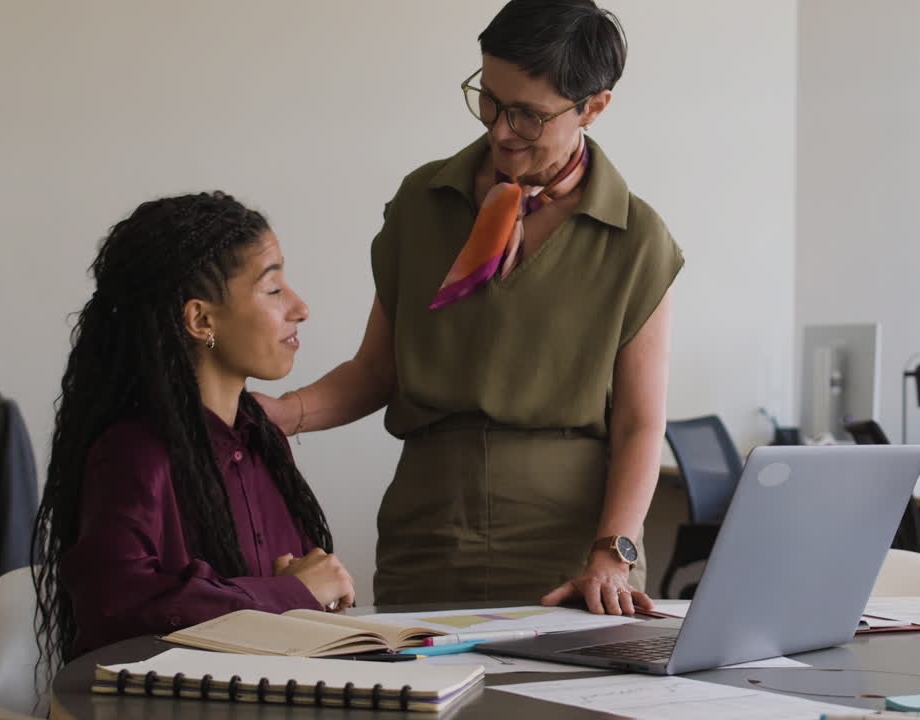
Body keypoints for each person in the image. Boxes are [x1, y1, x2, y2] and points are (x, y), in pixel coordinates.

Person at [257, 0, 682, 616]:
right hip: (427, 530)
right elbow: (379, 369)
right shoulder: (422, 201)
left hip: (566, 546)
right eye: (489, 98)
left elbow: (640, 423)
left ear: (594, 107)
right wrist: (282, 416)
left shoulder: (638, 237)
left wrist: (612, 554)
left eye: (530, 116)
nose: (501, 130)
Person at [31, 192, 355, 669]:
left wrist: (310, 593)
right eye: (272, 290)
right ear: (201, 319)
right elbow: (115, 608)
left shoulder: (263, 442)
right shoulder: (133, 454)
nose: (300, 308)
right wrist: (290, 592)